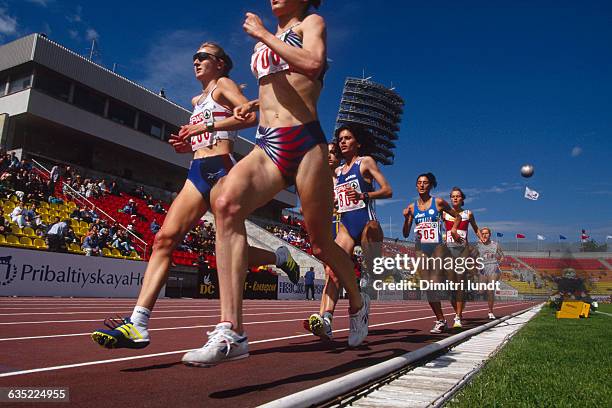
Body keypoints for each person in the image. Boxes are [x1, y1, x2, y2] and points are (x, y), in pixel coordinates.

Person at [181, 0, 369, 367]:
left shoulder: (312, 23)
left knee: (320, 244)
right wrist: (249, 106)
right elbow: (275, 89)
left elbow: (313, 65)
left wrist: (264, 33)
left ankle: (358, 305)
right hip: (268, 141)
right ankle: (231, 331)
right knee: (226, 205)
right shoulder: (261, 44)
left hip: (305, 140)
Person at [91, 41, 300, 350]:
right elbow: (202, 135)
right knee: (164, 239)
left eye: (203, 56)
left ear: (220, 63)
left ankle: (277, 258)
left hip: (221, 169)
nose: (196, 61)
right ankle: (137, 323)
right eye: (194, 57)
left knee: (227, 252)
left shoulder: (223, 85)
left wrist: (209, 124)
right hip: (196, 170)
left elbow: (247, 117)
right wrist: (186, 143)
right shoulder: (196, 99)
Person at [306, 124, 392, 340]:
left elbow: (388, 190)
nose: (343, 142)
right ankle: (326, 319)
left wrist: (364, 196)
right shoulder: (339, 172)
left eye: (348, 138)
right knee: (333, 271)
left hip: (367, 225)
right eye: (341, 138)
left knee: (371, 267)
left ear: (358, 143)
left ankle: (366, 283)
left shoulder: (366, 162)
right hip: (346, 227)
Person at [402, 173, 462, 334]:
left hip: (437, 247)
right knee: (428, 286)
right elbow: (406, 233)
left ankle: (451, 293)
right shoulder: (412, 208)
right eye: (419, 183)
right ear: (416, 186)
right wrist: (406, 218)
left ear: (430, 185)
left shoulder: (439, 202)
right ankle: (441, 320)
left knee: (435, 280)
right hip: (421, 248)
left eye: (425, 183)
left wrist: (454, 229)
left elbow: (458, 216)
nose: (422, 185)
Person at [443, 187, 480, 329]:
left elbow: (476, 228)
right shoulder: (444, 213)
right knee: (449, 288)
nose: (455, 198)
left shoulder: (468, 214)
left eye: (458, 196)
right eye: (452, 196)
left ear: (463, 199)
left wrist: (481, 237)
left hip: (462, 250)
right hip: (448, 251)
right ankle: (458, 310)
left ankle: (457, 317)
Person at [476, 227, 504, 319]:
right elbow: (474, 257)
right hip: (483, 269)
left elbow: (502, 256)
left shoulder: (495, 245)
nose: (484, 235)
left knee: (490, 290)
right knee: (481, 291)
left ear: (490, 234)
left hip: (493, 268)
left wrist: (498, 262)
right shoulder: (478, 245)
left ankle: (490, 312)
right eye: (483, 233)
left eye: (486, 233)